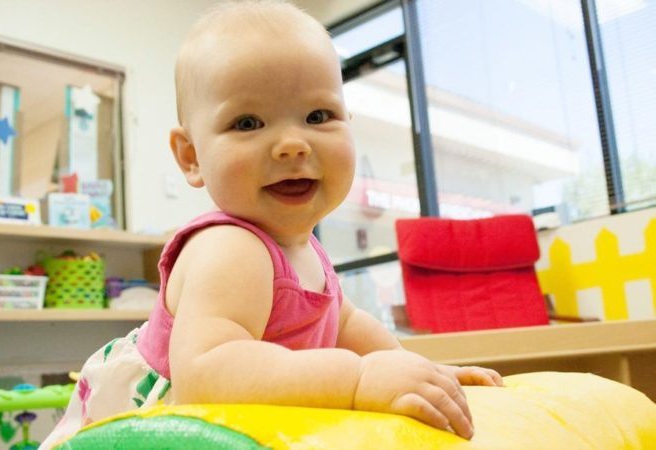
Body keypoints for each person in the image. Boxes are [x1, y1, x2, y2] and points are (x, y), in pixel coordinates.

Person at [41, 1, 501, 447]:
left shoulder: (305, 250)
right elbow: (207, 373)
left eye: (318, 116)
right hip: (151, 430)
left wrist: (415, 370)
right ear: (192, 156)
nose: (291, 145)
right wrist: (358, 379)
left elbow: (347, 324)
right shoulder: (228, 248)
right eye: (248, 122)